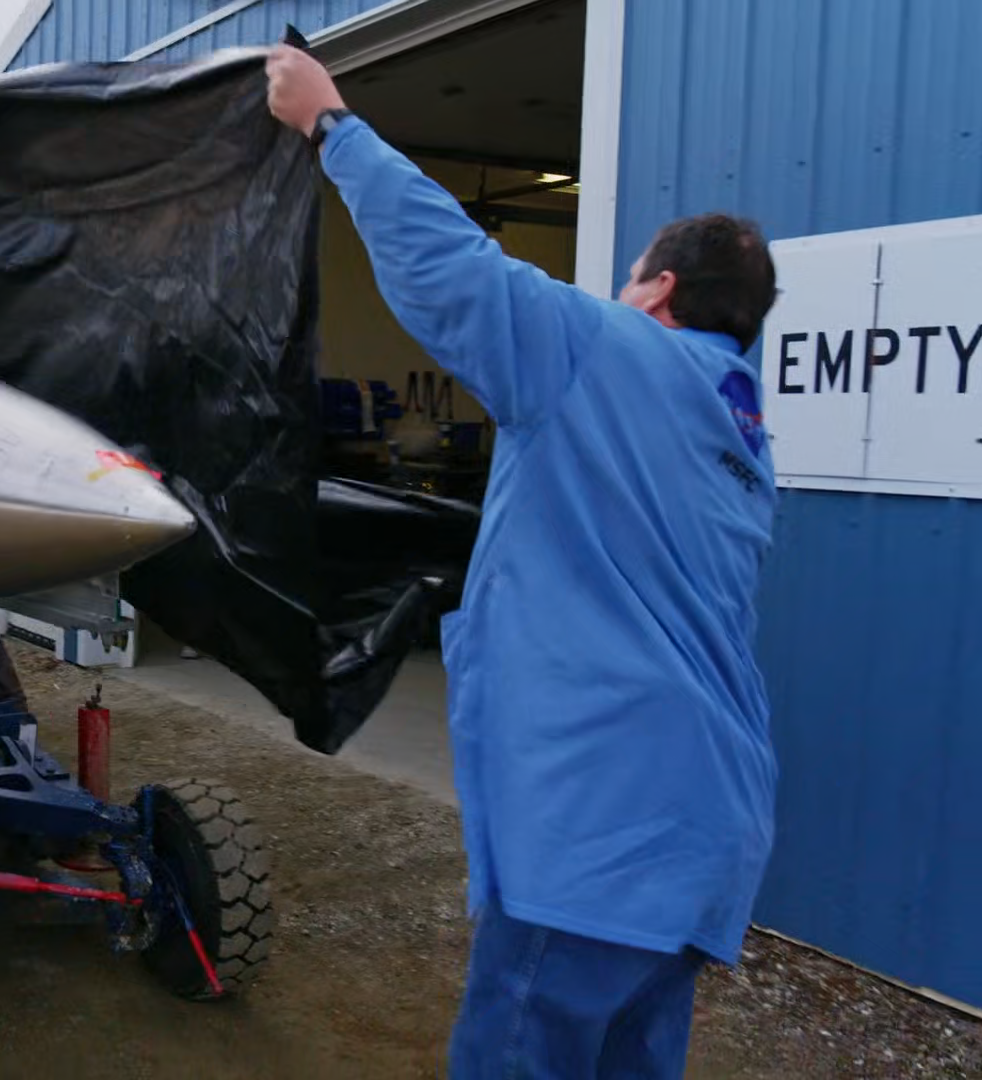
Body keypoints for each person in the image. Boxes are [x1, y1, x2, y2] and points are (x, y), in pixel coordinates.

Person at [265, 47, 779, 1078]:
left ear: (661, 288)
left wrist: (330, 125)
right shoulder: (738, 430)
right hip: (700, 835)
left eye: (628, 275)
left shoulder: (608, 351)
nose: (616, 290)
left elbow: (452, 268)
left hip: (599, 830)